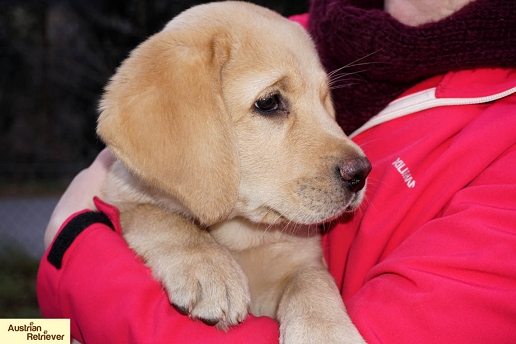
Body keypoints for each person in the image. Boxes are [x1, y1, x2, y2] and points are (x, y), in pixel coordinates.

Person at [37, 0, 516, 342]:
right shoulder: (283, 34)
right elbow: (40, 332)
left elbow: (297, 274)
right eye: (271, 103)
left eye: (326, 101)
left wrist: (77, 250)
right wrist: (29, 333)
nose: (353, 158)